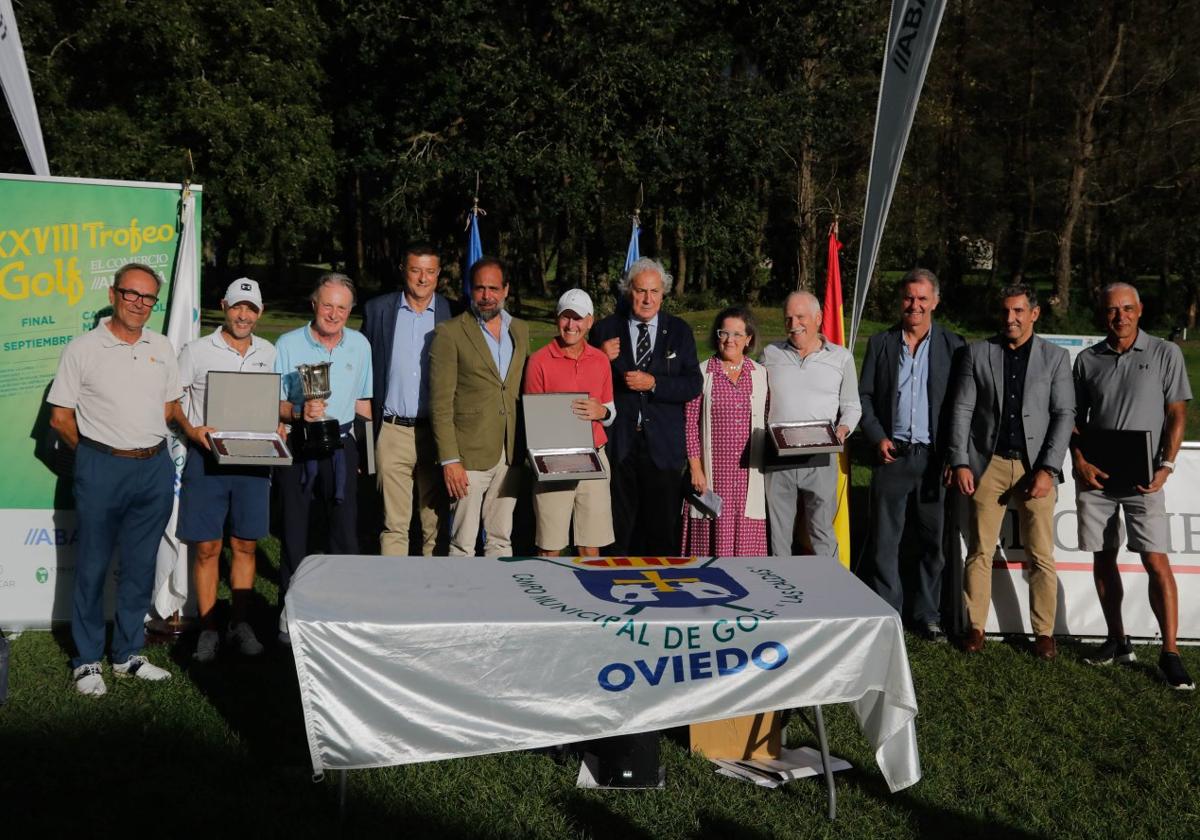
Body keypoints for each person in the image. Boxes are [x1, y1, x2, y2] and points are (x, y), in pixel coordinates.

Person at [47, 263, 180, 695]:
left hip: (154, 467)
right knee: (92, 566)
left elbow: (168, 406)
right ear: (113, 294)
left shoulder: (162, 346)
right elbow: (61, 417)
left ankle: (126, 654)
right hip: (102, 466)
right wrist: (92, 453)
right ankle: (87, 660)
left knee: (141, 565)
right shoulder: (83, 348)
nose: (139, 304)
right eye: (131, 294)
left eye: (148, 298)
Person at [1072, 283, 1194, 689]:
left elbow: (1176, 413)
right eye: (1111, 310)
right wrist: (1079, 460)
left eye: (1127, 309)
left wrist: (1167, 464)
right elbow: (1074, 418)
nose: (1119, 316)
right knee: (1103, 558)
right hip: (1097, 477)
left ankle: (1170, 653)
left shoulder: (1165, 353)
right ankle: (1117, 640)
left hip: (1145, 478)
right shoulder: (1088, 360)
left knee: (1155, 560)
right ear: (1102, 314)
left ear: (1140, 310)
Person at [947, 284, 1073, 659]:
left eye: (1018, 311)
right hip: (990, 463)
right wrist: (961, 460)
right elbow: (962, 410)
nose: (1010, 319)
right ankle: (975, 627)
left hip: (1037, 466)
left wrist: (1049, 468)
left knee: (1040, 554)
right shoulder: (977, 353)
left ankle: (1044, 633)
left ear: (1034, 314)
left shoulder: (1055, 358)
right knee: (980, 551)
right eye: (1005, 311)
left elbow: (1064, 414)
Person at [171, 278, 277, 662]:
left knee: (246, 544)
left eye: (250, 309)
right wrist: (192, 430)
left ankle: (240, 624)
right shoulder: (197, 351)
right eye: (237, 307)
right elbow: (173, 401)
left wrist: (282, 423)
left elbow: (276, 403)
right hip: (207, 458)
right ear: (223, 306)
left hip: (254, 459)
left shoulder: (269, 351)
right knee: (207, 547)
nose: (243, 315)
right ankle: (209, 629)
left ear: (259, 313)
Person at [858, 269, 965, 640]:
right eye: (908, 298)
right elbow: (865, 397)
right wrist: (876, 437)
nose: (914, 305)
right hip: (893, 455)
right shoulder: (882, 344)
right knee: (886, 541)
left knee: (931, 542)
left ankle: (927, 613)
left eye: (922, 299)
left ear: (935, 301)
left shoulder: (955, 347)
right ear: (900, 300)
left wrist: (955, 455)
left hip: (935, 459)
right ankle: (889, 612)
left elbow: (961, 407)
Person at [274, 273, 372, 642]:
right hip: (299, 443)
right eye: (327, 305)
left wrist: (367, 449)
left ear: (350, 311)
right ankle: (291, 609)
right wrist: (298, 412)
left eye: (342, 308)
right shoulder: (286, 344)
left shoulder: (360, 346)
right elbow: (273, 400)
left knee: (344, 530)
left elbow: (364, 403)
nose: (334, 314)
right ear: (314, 304)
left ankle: (341, 608)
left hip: (342, 444)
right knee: (294, 528)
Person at [590, 257, 702, 556]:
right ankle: (613, 592)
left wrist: (653, 383)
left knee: (660, 532)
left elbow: (693, 384)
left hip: (663, 447)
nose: (647, 298)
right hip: (619, 444)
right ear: (629, 291)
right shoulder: (605, 330)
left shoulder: (679, 331)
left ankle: (660, 594)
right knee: (618, 529)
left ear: (663, 293)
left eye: (654, 291)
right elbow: (585, 381)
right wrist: (600, 358)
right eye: (640, 291)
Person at [429, 258, 529, 556]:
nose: (487, 295)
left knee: (501, 538)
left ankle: (498, 599)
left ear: (506, 290)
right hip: (467, 456)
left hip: (510, 451)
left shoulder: (520, 330)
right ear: (470, 290)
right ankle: (462, 601)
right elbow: (440, 403)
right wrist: (450, 460)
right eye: (480, 288)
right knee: (463, 543)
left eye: (493, 288)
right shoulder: (449, 333)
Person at [361, 243, 454, 556]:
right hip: (392, 431)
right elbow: (364, 371)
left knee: (436, 525)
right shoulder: (378, 311)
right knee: (394, 524)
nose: (423, 279)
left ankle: (433, 594)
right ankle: (394, 596)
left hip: (436, 433)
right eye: (416, 270)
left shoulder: (452, 313)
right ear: (404, 270)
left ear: (438, 274)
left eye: (430, 271)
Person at [761, 291, 860, 558]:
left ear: (818, 318)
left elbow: (852, 405)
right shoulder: (770, 354)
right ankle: (781, 592)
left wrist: (843, 429)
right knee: (778, 535)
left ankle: (829, 591)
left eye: (801, 317)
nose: (794, 324)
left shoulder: (841, 358)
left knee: (822, 531)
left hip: (821, 456)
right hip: (778, 457)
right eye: (788, 318)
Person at [524, 289, 616, 555]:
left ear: (590, 322)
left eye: (578, 319)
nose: (571, 325)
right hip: (554, 460)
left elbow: (610, 412)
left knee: (591, 546)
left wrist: (601, 413)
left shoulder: (600, 360)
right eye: (566, 317)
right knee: (550, 546)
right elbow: (534, 418)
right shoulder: (539, 361)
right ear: (557, 319)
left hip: (595, 458)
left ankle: (589, 597)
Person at [681, 306, 769, 556]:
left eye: (737, 334)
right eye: (724, 333)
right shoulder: (703, 372)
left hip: (747, 473)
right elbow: (689, 424)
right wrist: (696, 469)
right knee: (711, 531)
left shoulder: (760, 375)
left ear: (748, 339)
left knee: (746, 533)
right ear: (717, 336)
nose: (730, 340)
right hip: (713, 471)